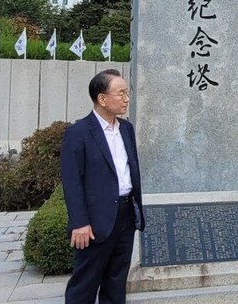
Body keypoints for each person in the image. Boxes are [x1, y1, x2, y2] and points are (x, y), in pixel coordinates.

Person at [60, 69, 145, 304]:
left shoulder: (126, 129)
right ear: (102, 98)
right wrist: (79, 222)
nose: (126, 98)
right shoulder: (78, 133)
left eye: (127, 93)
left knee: (116, 282)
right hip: (95, 221)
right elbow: (71, 181)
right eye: (121, 93)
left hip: (126, 215)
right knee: (85, 284)